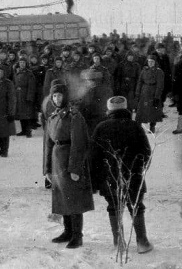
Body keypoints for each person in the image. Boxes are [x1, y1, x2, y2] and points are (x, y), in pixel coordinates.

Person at [89, 96, 153, 254]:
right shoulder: (135, 126)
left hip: (110, 177)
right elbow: (146, 152)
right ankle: (142, 242)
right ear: (126, 109)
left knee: (113, 208)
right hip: (133, 176)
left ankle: (119, 242)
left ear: (109, 110)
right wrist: (138, 168)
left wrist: (96, 180)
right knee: (136, 207)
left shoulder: (101, 127)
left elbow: (93, 157)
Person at [44, 82, 94, 249]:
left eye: (60, 95)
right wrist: (47, 169)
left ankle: (77, 236)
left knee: (73, 199)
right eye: (54, 96)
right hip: (57, 162)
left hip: (69, 161)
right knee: (61, 198)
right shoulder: (53, 117)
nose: (57, 99)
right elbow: (48, 144)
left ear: (66, 97)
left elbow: (79, 144)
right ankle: (67, 231)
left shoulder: (74, 116)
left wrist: (75, 169)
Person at [135, 54, 165, 133]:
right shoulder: (144, 70)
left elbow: (160, 85)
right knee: (141, 110)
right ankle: (139, 127)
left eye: (152, 62)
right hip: (144, 92)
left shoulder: (159, 71)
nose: (150, 63)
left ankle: (152, 126)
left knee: (153, 110)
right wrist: (137, 92)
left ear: (155, 62)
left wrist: (157, 97)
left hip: (153, 92)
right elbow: (139, 82)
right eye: (149, 61)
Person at [13, 58, 37, 137]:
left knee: (27, 115)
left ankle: (28, 131)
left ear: (26, 64)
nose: (22, 64)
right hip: (18, 95)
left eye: (23, 62)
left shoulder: (29, 73)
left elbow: (32, 86)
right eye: (21, 62)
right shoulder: (17, 72)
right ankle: (23, 130)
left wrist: (29, 97)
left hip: (26, 96)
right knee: (20, 114)